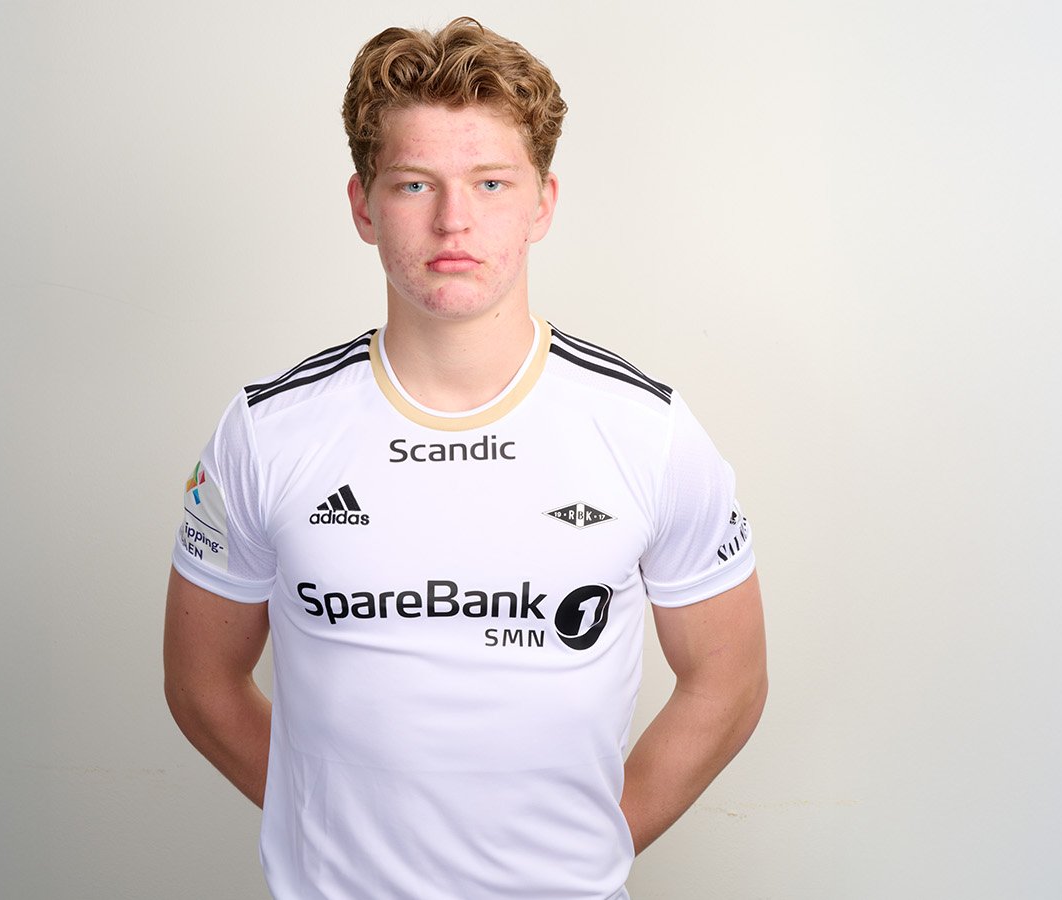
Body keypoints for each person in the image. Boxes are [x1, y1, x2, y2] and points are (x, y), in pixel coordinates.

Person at [164, 17, 766, 899]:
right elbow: (200, 684)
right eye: (415, 184)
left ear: (543, 203)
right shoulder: (265, 432)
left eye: (491, 183)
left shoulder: (649, 430)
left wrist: (584, 848)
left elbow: (730, 680)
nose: (455, 221)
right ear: (364, 206)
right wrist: (332, 830)